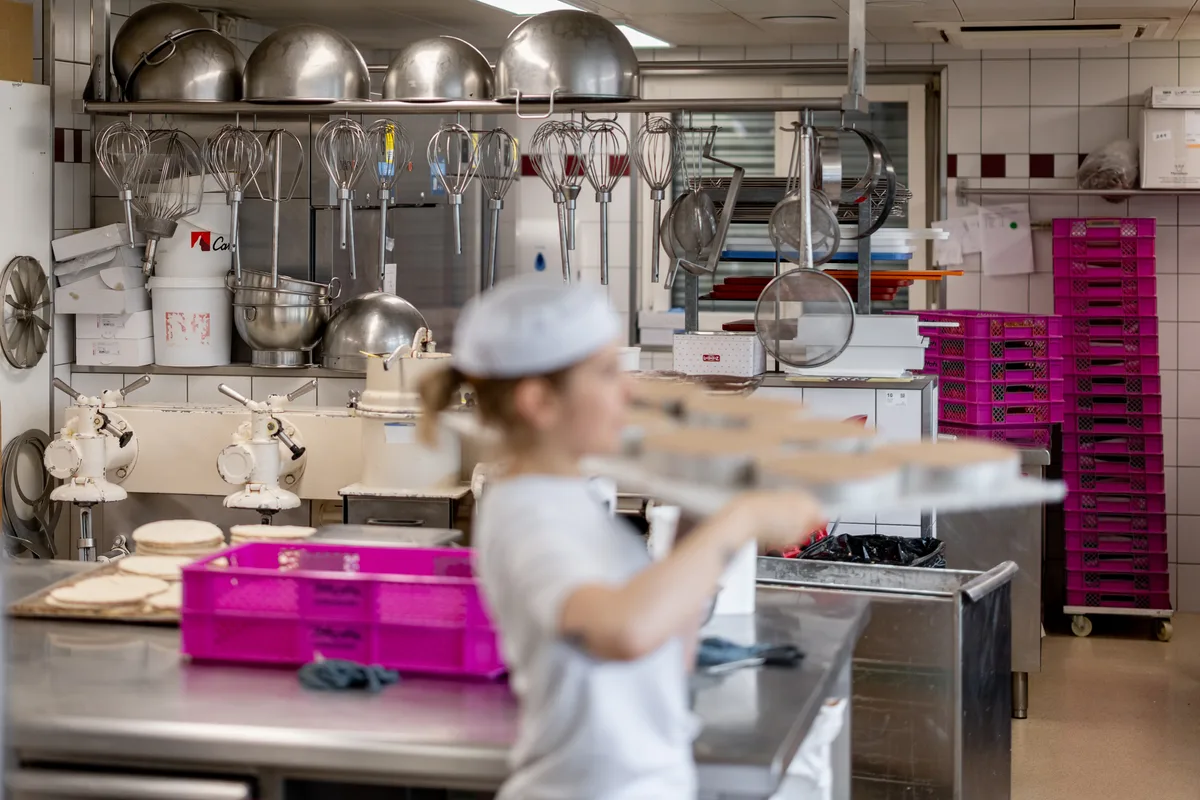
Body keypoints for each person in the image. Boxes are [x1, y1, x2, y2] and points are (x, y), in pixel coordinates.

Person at [419, 275, 824, 800]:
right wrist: (738, 522)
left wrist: (705, 504)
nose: (628, 391)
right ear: (539, 402)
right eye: (608, 373)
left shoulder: (572, 499)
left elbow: (658, 652)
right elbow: (620, 632)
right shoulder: (525, 512)